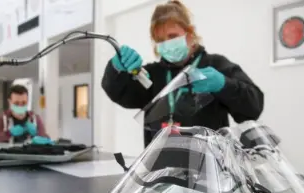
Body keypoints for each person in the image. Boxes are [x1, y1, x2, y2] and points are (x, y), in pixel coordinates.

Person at [101, 0, 264, 147]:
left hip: (209, 169)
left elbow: (253, 108)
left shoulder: (216, 65)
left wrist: (224, 85)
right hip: (161, 169)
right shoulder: (152, 74)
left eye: (172, 36)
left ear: (189, 34)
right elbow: (120, 93)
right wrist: (117, 68)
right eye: (160, 40)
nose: (167, 44)